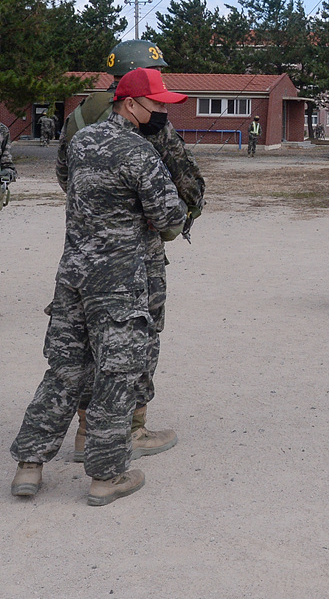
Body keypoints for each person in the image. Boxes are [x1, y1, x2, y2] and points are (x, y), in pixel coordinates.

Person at [9, 67, 188, 505]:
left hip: (72, 276)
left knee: (66, 370)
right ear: (131, 103)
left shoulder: (81, 142)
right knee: (116, 374)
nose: (162, 110)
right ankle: (107, 476)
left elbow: (71, 186)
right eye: (157, 103)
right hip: (119, 282)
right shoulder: (138, 152)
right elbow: (171, 219)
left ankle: (29, 466)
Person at [58, 40, 205, 463]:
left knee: (86, 337)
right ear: (139, 78)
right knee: (139, 335)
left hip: (89, 246)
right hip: (140, 249)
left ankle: (87, 429)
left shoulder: (80, 116)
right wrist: (178, 216)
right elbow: (185, 178)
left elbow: (67, 177)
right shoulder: (150, 121)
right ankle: (132, 428)